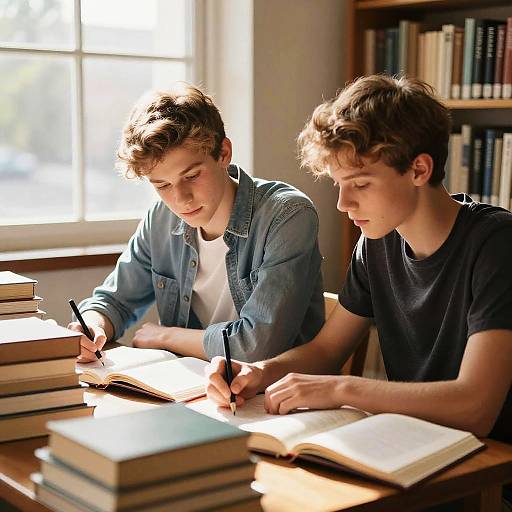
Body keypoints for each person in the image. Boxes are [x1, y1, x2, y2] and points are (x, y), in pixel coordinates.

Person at [206, 75, 512, 448]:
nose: (343, 204)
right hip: (414, 444)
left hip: (491, 469)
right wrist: (259, 372)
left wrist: (341, 388)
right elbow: (327, 351)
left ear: (419, 169)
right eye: (339, 184)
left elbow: (476, 408)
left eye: (361, 184)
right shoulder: (377, 243)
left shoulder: (497, 244)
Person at [70, 83, 324, 362]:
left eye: (191, 176)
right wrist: (93, 325)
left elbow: (257, 345)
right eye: (163, 185)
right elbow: (113, 301)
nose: (180, 199)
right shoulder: (161, 219)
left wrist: (166, 336)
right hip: (194, 388)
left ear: (223, 153)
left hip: (275, 395)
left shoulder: (287, 216)